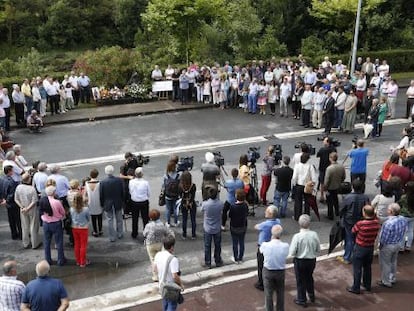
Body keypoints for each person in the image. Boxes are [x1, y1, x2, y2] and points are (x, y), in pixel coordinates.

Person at [346, 205, 380, 294]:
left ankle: (356, 287)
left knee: (357, 268)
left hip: (360, 247)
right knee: (367, 267)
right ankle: (367, 285)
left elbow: (353, 232)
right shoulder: (376, 223)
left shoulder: (360, 224)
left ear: (364, 213)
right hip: (370, 247)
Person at [289, 214, 320, 307]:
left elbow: (292, 252)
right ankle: (311, 294)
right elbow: (318, 249)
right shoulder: (314, 234)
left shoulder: (297, 236)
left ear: (299, 224)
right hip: (311, 260)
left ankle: (302, 299)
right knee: (309, 277)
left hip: (300, 260)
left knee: (300, 280)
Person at [338, 179, 370, 264]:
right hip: (361, 220)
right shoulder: (365, 197)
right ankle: (357, 255)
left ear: (353, 187)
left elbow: (341, 210)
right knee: (358, 238)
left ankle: (347, 257)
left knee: (349, 238)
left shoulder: (348, 197)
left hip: (349, 221)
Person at [260, 224, 289, 311]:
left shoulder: (265, 245)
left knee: (268, 294)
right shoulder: (285, 246)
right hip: (280, 271)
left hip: (268, 271)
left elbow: (261, 251)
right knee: (280, 292)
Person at [378, 203, 408, 288]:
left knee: (385, 263)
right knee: (393, 262)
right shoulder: (402, 219)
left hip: (388, 245)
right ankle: (392, 278)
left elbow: (384, 237)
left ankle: (386, 281)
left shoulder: (388, 224)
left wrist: (381, 245)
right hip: (398, 243)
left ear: (391, 211)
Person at [254, 205, 281, 291]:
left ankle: (261, 283)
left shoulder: (265, 224)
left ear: (270, 214)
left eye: (267, 212)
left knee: (261, 265)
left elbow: (256, 226)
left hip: (263, 247)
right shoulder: (277, 221)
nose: (265, 212)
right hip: (273, 246)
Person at [153, 236, 184, 311]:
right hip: (171, 288)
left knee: (165, 304)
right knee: (171, 305)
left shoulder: (158, 255)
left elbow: (154, 269)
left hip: (162, 285)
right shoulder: (173, 259)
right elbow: (175, 276)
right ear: (172, 247)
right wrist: (181, 285)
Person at [144, 209, 174, 282]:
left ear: (150, 217)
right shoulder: (162, 224)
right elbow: (168, 233)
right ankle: (164, 274)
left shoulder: (148, 225)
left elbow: (144, 234)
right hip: (160, 243)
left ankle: (155, 276)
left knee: (153, 260)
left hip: (150, 244)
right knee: (162, 259)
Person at [40, 186, 66, 266]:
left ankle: (48, 260)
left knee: (47, 242)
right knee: (59, 242)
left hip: (46, 223)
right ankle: (60, 260)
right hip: (56, 223)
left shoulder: (42, 201)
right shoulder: (57, 202)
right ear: (54, 193)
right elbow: (63, 212)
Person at [14, 173, 40, 249]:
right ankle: (34, 244)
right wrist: (28, 208)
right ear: (29, 179)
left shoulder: (18, 187)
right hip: (31, 209)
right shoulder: (32, 189)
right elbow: (34, 201)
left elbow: (16, 199)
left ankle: (25, 243)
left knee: (24, 226)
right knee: (33, 226)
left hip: (22, 209)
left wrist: (22, 207)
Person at [99, 165, 125, 242]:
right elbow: (122, 192)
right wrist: (123, 200)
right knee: (119, 219)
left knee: (110, 220)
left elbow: (101, 194)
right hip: (118, 201)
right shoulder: (119, 180)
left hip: (107, 203)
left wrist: (102, 204)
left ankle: (112, 237)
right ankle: (120, 233)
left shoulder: (103, 182)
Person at [201, 186, 223, 268]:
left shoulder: (206, 204)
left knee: (207, 246)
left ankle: (208, 262)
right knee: (217, 245)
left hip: (208, 227)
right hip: (217, 227)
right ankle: (218, 260)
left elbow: (201, 210)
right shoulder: (220, 203)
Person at [291, 153, 317, 221]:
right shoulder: (310, 166)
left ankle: (297, 216)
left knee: (298, 201)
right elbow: (314, 178)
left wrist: (294, 184)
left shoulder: (297, 166)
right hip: (307, 186)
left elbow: (294, 177)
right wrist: (312, 185)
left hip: (299, 185)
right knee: (307, 202)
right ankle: (307, 216)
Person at [129, 167, 150, 239]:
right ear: (142, 174)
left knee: (134, 218)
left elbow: (130, 191)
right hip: (144, 202)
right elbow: (148, 193)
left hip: (134, 201)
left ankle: (134, 233)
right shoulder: (145, 183)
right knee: (145, 219)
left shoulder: (131, 182)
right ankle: (146, 233)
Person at [324, 152, 346, 220]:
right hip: (337, 186)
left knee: (329, 202)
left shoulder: (329, 168)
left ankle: (330, 215)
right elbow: (344, 176)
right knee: (335, 199)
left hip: (330, 187)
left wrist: (325, 188)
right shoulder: (341, 167)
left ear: (330, 159)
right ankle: (337, 211)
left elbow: (327, 180)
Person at [70, 193, 90, 267]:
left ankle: (78, 260)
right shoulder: (85, 209)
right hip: (83, 228)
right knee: (83, 245)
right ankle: (83, 261)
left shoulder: (72, 209)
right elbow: (88, 218)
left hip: (75, 228)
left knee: (77, 244)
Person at [229, 189, 248, 264]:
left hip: (234, 226)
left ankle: (236, 258)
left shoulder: (233, 206)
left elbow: (230, 215)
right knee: (241, 242)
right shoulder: (245, 205)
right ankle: (241, 257)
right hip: (242, 226)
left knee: (235, 243)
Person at [316, 137, 337, 203]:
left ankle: (322, 196)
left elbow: (317, 155)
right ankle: (329, 196)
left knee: (322, 183)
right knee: (329, 182)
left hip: (322, 168)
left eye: (324, 140)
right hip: (331, 167)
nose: (323, 141)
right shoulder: (333, 149)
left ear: (327, 142)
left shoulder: (322, 149)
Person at [83, 168, 103, 237]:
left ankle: (95, 231)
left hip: (90, 202)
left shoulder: (86, 183)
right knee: (100, 217)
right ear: (97, 175)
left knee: (93, 217)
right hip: (98, 202)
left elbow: (85, 194)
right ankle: (100, 230)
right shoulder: (100, 183)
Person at [178, 170, 197, 240]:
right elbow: (193, 195)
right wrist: (190, 202)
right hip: (192, 203)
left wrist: (185, 202)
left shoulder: (180, 186)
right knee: (193, 219)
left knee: (184, 219)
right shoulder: (193, 186)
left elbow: (180, 196)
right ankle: (193, 235)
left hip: (183, 203)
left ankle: (184, 234)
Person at [163, 161, 180, 227]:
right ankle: (176, 222)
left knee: (168, 208)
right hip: (175, 195)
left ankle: (168, 222)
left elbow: (164, 185)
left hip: (168, 195)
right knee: (175, 208)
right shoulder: (178, 175)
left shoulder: (166, 175)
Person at [398, 181, 414, 252]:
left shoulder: (404, 197)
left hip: (404, 215)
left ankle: (401, 247)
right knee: (411, 231)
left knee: (403, 231)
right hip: (412, 216)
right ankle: (408, 246)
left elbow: (399, 203)